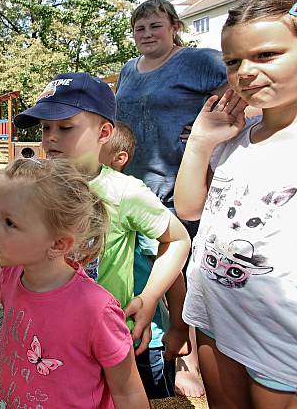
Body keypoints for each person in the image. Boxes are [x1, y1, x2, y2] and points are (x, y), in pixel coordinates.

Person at [175, 0, 297, 408]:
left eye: (266, 55)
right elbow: (189, 208)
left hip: (288, 349)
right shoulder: (235, 139)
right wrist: (201, 140)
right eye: (233, 61)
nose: (245, 72)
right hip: (217, 324)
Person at [8, 73, 190, 354]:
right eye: (45, 128)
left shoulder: (124, 191)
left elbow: (178, 240)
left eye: (65, 127)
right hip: (44, 331)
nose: (51, 138)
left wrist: (150, 297)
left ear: (104, 133)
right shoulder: (33, 185)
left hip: (106, 339)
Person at [0, 158, 149, 408]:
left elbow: (128, 392)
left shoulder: (96, 310)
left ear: (58, 244)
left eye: (9, 223)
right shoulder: (15, 274)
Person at [114, 0, 228, 397]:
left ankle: (188, 352)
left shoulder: (198, 61)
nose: (146, 34)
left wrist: (205, 128)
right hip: (136, 177)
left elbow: (237, 82)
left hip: (181, 180)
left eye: (155, 26)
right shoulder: (129, 69)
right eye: (140, 28)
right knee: (155, 267)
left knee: (185, 267)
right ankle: (171, 340)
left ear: (174, 26)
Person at [100, 122, 191, 399]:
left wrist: (178, 328)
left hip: (142, 334)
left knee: (146, 395)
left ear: (119, 158)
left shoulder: (134, 205)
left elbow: (174, 273)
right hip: (106, 331)